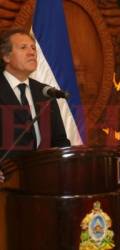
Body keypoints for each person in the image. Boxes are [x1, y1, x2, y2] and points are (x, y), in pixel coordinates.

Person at [0, 28, 70, 183]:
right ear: (6, 56)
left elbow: (60, 140)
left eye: (33, 48)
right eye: (23, 48)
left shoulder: (45, 92)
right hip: (7, 186)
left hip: (45, 184)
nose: (32, 52)